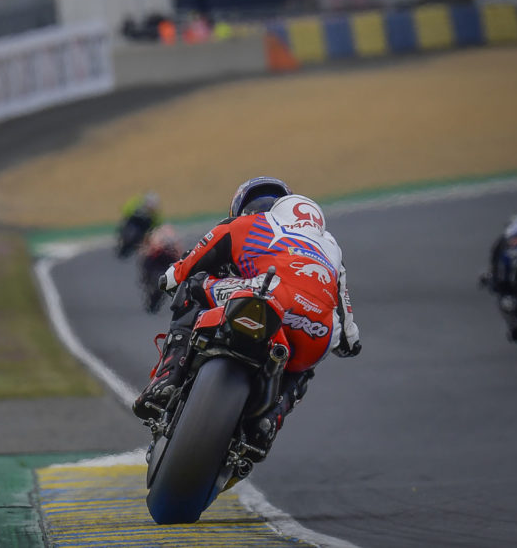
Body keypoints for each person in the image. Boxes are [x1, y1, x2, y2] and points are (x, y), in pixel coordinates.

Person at [132, 177, 361, 445]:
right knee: (305, 365)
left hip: (265, 293)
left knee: (192, 286)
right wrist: (344, 343)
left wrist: (170, 278)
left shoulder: (245, 224)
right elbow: (348, 337)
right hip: (317, 329)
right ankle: (271, 419)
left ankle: (168, 377)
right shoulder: (331, 247)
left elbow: (188, 265)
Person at [481, 214, 517, 360]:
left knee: (507, 303)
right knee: (508, 305)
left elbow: (495, 271)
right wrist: (490, 279)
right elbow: (496, 271)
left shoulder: (502, 244)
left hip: (515, 288)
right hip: (515, 289)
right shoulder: (502, 246)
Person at [138, 224, 182, 314]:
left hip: (167, 265)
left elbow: (179, 256)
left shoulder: (173, 243)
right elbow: (145, 257)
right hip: (155, 264)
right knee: (153, 281)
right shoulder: (154, 244)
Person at [116, 191, 162, 258]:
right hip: (132, 223)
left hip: (143, 228)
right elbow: (126, 210)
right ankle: (122, 240)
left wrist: (153, 231)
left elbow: (157, 223)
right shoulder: (136, 203)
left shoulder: (155, 213)